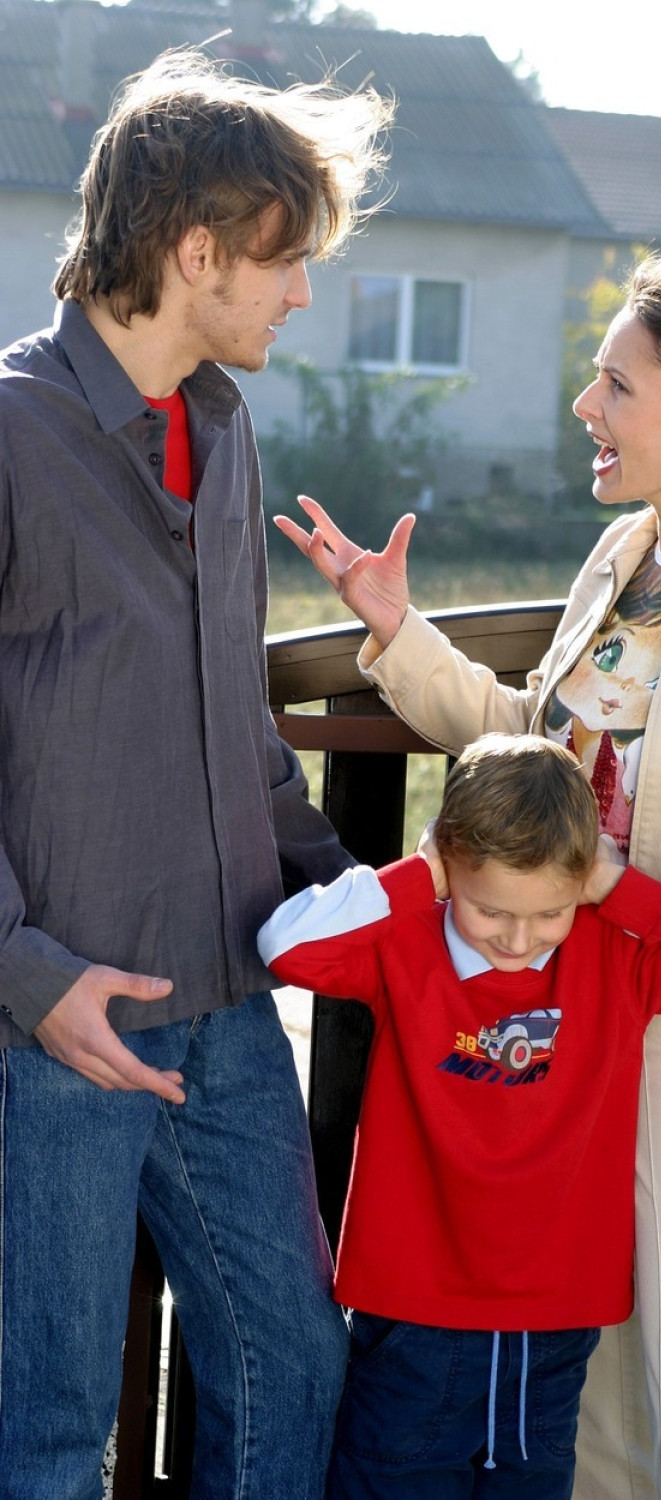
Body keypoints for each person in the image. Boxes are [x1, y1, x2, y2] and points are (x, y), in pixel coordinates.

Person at [273, 249, 661, 1498]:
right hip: (562, 1045)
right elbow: (540, 760)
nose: (585, 408)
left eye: (615, 383)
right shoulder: (620, 557)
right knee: (593, 1421)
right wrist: (397, 634)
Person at [0, 49, 389, 1500]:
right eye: (288, 262)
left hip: (227, 1017)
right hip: (47, 1032)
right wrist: (31, 982)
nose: (301, 295)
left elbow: (231, 716)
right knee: (42, 1435)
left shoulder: (221, 432)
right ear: (196, 247)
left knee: (293, 1366)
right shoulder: (9, 433)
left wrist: (343, 888)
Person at [257, 733, 661, 1498]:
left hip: (556, 1317)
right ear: (451, 867)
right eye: (490, 908)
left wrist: (615, 885)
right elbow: (285, 945)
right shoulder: (403, 944)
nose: (517, 937)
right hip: (415, 1311)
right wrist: (425, 871)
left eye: (550, 913)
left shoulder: (617, 956)